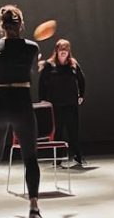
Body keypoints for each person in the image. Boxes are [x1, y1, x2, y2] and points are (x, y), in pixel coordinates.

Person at [0, 5, 41, 218]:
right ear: (20, 24)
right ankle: (33, 207)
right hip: (21, 101)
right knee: (30, 157)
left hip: (0, 102)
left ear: (2, 25)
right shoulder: (32, 47)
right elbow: (29, 66)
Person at [38, 38, 86, 167]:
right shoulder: (49, 65)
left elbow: (81, 80)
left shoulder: (73, 64)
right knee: (57, 132)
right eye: (61, 49)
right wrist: (42, 99)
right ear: (57, 51)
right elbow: (42, 83)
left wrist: (81, 95)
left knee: (73, 131)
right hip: (56, 105)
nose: (63, 52)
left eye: (66, 49)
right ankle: (57, 159)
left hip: (71, 104)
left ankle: (78, 157)